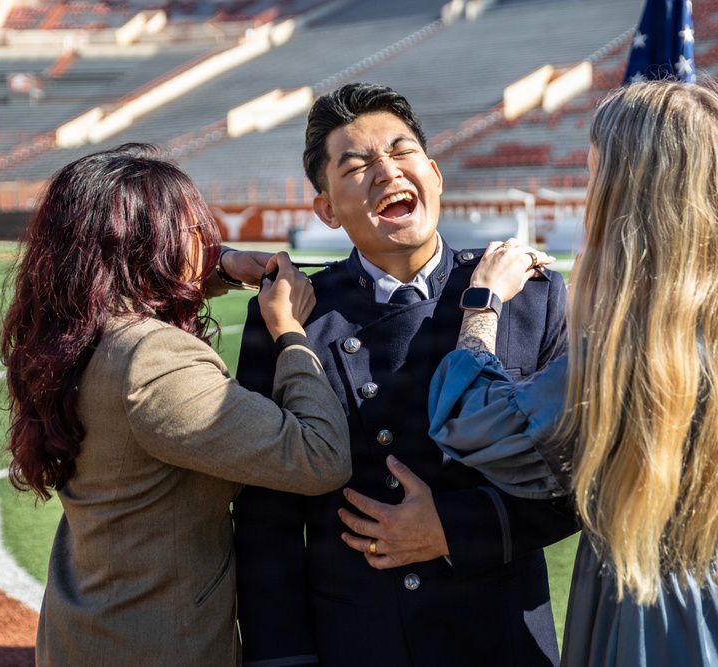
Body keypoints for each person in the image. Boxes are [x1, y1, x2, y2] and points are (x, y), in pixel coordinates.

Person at [428, 80, 718, 666]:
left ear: (626, 197)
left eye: (595, 177)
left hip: (657, 620)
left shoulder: (627, 362)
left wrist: (483, 304)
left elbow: (471, 420)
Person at [232, 83, 579, 667]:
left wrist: (451, 528)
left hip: (500, 638)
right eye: (358, 164)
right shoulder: (289, 313)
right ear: (325, 209)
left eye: (401, 152)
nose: (386, 170)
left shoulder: (529, 296)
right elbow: (266, 522)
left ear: (435, 174)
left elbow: (577, 477)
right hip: (357, 641)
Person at [0, 143, 351, 666]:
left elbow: (134, 297)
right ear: (143, 243)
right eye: (192, 231)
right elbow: (319, 457)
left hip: (87, 628)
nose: (207, 240)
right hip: (156, 644)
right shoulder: (154, 359)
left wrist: (223, 270)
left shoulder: (73, 329)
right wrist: (290, 332)